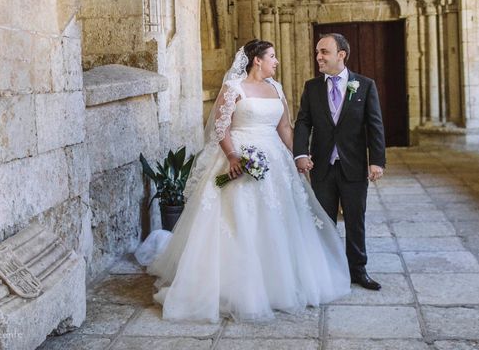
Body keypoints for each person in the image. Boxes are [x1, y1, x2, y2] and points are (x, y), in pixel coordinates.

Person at [135, 39, 350, 323]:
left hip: (274, 159)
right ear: (257, 60)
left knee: (280, 218)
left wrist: (297, 156)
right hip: (238, 157)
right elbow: (221, 127)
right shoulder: (233, 88)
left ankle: (281, 280)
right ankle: (233, 287)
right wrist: (234, 156)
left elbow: (284, 126)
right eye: (272, 56)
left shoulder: (276, 88)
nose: (276, 61)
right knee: (237, 219)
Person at [294, 33, 386, 291]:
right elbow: (303, 122)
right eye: (317, 52)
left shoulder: (365, 85)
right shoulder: (311, 87)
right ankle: (327, 269)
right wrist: (301, 153)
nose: (318, 57)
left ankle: (358, 270)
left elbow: (375, 125)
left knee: (356, 219)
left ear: (341, 55)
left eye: (324, 52)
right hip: (322, 166)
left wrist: (377, 160)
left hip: (353, 165)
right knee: (323, 220)